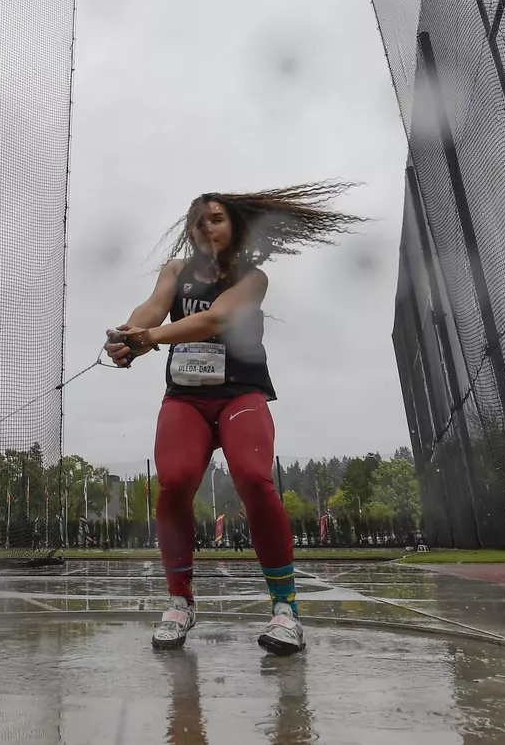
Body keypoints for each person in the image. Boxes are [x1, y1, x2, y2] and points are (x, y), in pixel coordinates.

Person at [106, 182, 359, 655]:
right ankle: (180, 603)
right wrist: (127, 334)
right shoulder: (176, 271)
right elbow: (152, 309)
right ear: (189, 233)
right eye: (198, 223)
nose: (207, 228)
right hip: (186, 399)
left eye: (217, 219)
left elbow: (216, 318)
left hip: (240, 395)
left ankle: (285, 609)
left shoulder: (253, 278)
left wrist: (149, 338)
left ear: (235, 226)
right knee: (174, 482)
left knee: (253, 478)